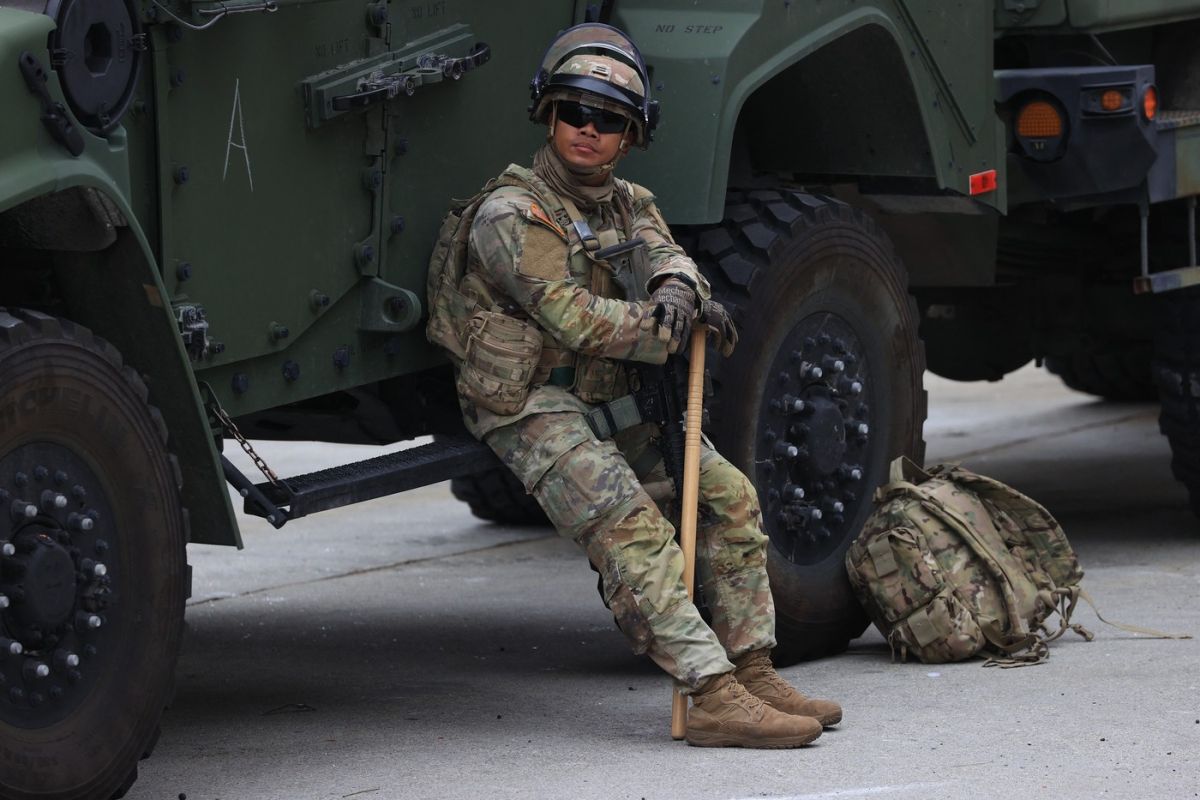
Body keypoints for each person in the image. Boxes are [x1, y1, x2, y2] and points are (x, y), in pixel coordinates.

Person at [434, 22, 842, 748]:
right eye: (573, 111)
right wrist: (671, 327)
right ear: (548, 116)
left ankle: (751, 668)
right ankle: (710, 694)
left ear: (630, 136)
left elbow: (669, 256)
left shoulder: (627, 202)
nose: (587, 129)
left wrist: (679, 287)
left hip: (607, 394)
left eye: (608, 119)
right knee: (635, 529)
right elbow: (572, 318)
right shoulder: (512, 214)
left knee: (730, 498)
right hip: (530, 403)